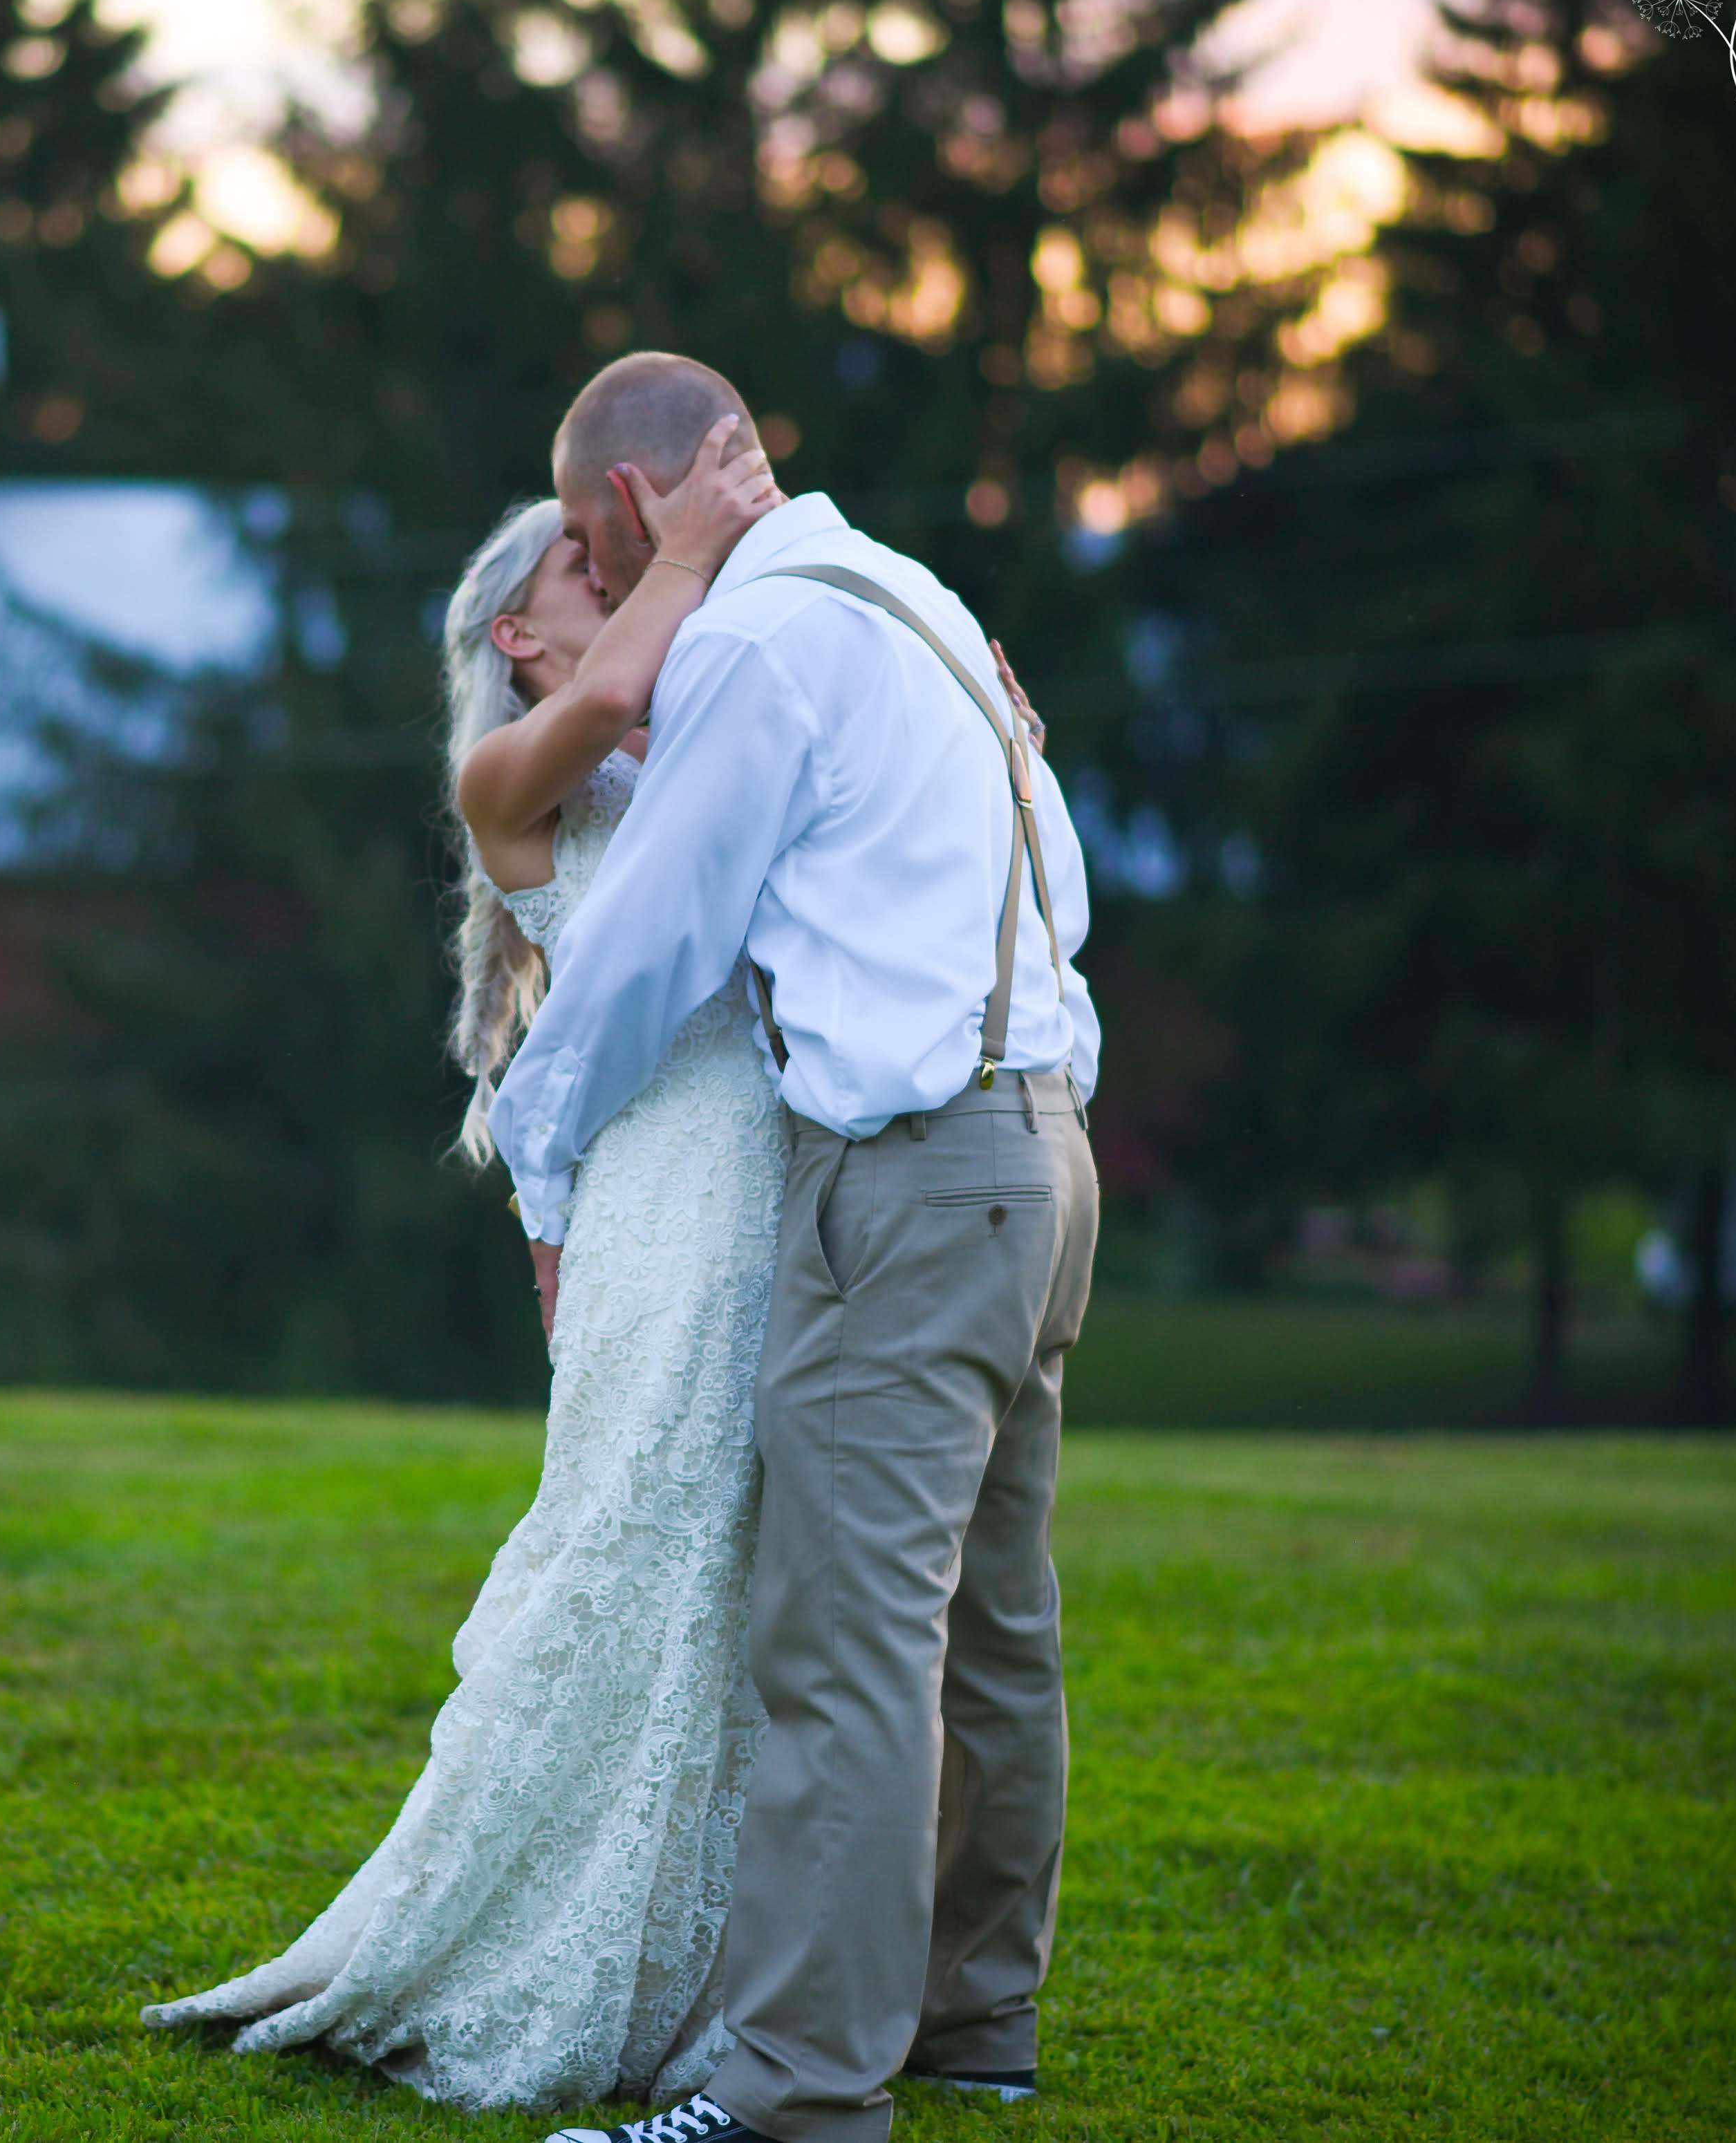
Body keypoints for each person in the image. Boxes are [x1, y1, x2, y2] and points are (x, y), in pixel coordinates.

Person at [142, 419, 796, 2106]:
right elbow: (617, 690)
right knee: (626, 1527)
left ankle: (721, 1965)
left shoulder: (682, 726)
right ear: (521, 632)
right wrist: (703, 541)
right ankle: (545, 1944)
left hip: (759, 1175)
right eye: (589, 563)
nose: (623, 571)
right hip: (667, 1190)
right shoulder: (509, 778)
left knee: (723, 1563)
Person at [496, 354, 1103, 2143]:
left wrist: (542, 1162)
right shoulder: (919, 600)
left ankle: (793, 2100)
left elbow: (647, 945)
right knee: (998, 1627)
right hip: (1044, 1148)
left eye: (606, 577)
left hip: (907, 1181)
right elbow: (1057, 883)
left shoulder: (760, 646)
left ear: (625, 515)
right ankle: (977, 2017)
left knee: (842, 1649)